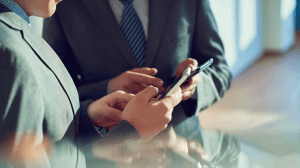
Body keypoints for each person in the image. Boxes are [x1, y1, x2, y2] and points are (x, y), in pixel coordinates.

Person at [43, 0, 240, 167]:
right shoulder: (60, 4)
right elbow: (54, 92)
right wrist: (107, 88)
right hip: (110, 153)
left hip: (183, 148)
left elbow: (221, 72)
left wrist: (194, 85)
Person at [0, 0, 184, 167]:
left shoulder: (16, 31)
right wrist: (128, 133)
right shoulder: (8, 50)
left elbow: (33, 134)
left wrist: (86, 118)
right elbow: (17, 160)